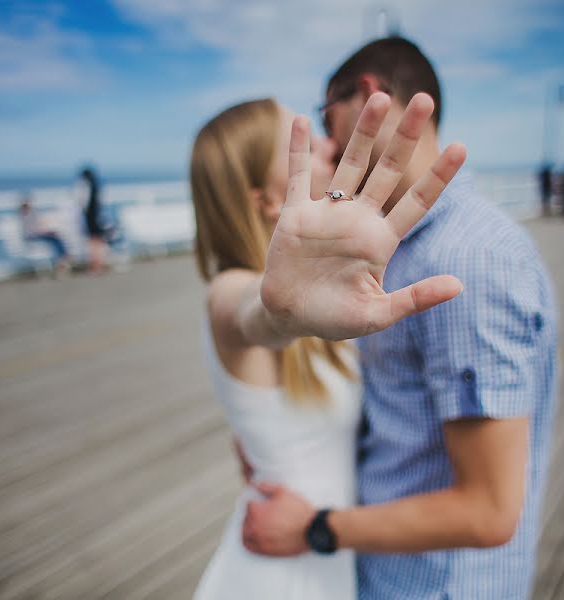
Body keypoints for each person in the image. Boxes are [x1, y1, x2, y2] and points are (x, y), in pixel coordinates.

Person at [241, 37, 558, 600]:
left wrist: (315, 529)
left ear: (367, 95)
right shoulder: (405, 243)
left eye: (326, 115)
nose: (325, 139)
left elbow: (488, 510)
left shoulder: (466, 260)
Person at [189, 94, 461, 598]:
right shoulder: (229, 292)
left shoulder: (322, 301)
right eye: (307, 149)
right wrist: (277, 310)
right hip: (278, 577)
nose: (330, 147)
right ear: (266, 199)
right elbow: (251, 314)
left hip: (318, 559)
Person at [18, 195, 71, 273]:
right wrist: (44, 231)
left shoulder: (29, 213)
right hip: (32, 236)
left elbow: (37, 225)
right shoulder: (26, 215)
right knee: (54, 239)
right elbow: (32, 229)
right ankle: (62, 259)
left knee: (55, 238)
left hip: (35, 234)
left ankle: (61, 259)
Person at [76, 166, 110, 274]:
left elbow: (82, 203)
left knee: (93, 242)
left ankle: (95, 266)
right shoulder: (96, 186)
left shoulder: (85, 186)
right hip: (98, 216)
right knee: (99, 241)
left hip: (90, 218)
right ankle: (101, 264)